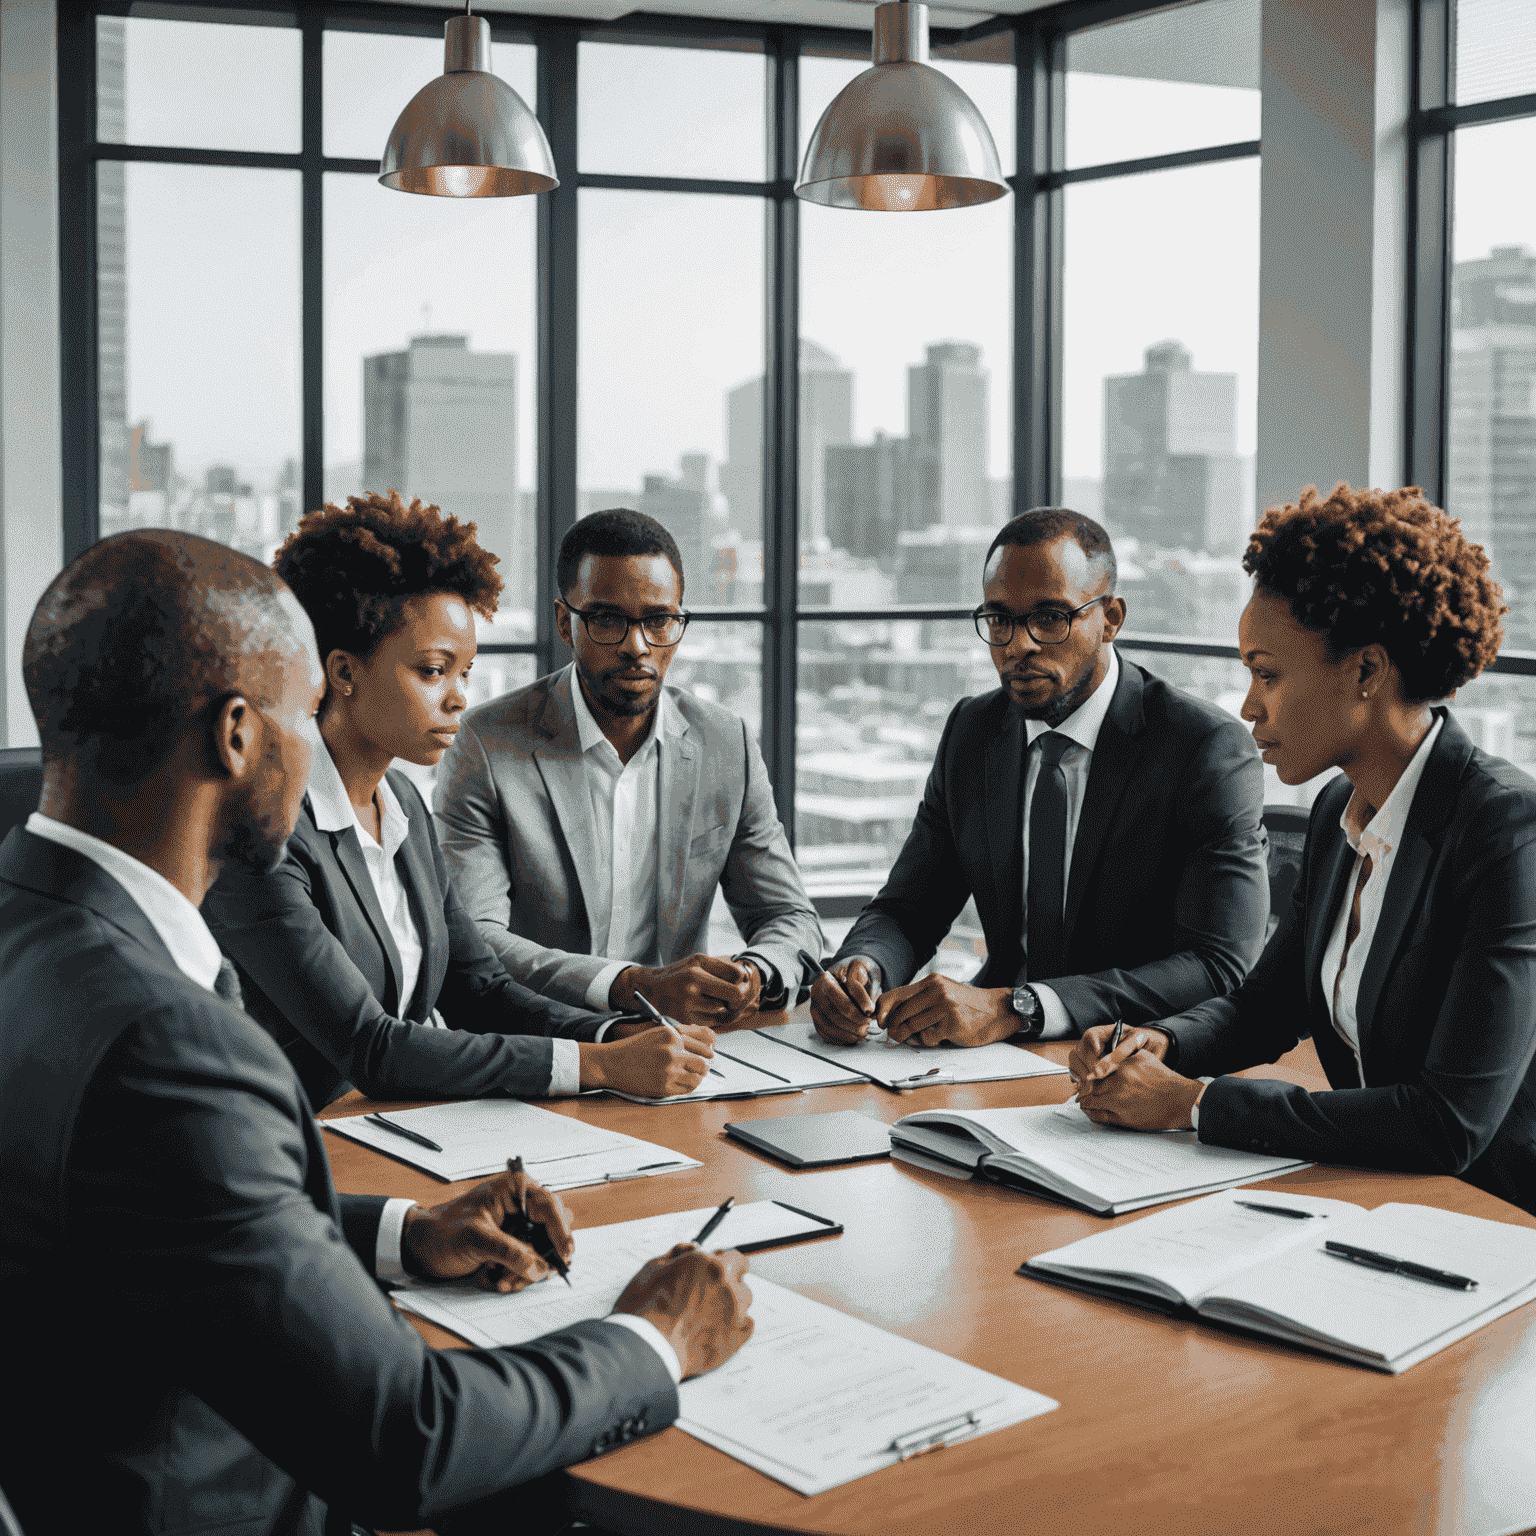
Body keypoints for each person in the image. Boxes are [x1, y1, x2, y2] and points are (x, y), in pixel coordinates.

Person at [0, 528, 754, 1536]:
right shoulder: (168, 1045)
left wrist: (405, 1231)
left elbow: (152, 1212)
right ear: (238, 734)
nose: (318, 739)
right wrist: (656, 1337)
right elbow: (412, 1440)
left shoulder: (32, 929)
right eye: (304, 706)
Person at [1070, 485, 1536, 1214]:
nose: (1249, 705)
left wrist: (1194, 1105)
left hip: (1495, 1224)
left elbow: (1449, 1124)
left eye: (1267, 673)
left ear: (1366, 671)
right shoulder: (1335, 813)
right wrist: (1156, 1045)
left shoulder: (1506, 834)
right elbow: (1267, 1007)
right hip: (1375, 1197)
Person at [204, 492, 715, 1108]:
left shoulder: (401, 805)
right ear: (341, 673)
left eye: (464, 673)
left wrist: (620, 1035)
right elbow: (372, 1048)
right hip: (299, 1151)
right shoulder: (267, 836)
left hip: (394, 1132)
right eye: (432, 671)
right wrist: (598, 1063)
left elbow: (479, 989)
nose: (457, 699)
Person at [812, 507, 1269, 1049]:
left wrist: (1020, 1007)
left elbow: (1218, 966)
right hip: (984, 1056)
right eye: (1000, 619)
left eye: (1050, 618)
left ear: (1111, 618)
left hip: (1132, 1062)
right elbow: (910, 907)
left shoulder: (1201, 749)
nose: (1017, 645)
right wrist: (864, 967)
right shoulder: (972, 731)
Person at [435, 507, 822, 1026]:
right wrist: (627, 985)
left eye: (659, 620)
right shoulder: (485, 746)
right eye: (608, 620)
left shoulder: (724, 743)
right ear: (563, 623)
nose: (637, 647)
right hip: (540, 1044)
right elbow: (476, 939)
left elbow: (789, 916)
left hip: (682, 1051)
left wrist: (754, 973)